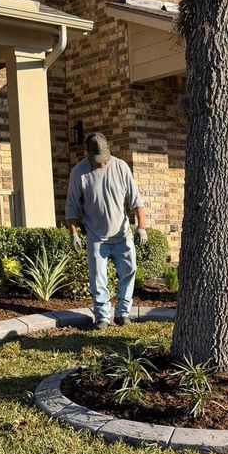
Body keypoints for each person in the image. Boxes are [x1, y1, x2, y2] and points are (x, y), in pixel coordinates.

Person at [64, 133, 148, 328]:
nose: (101, 164)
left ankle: (122, 314)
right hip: (96, 237)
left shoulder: (121, 167)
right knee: (98, 278)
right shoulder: (79, 172)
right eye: (97, 161)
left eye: (103, 160)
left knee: (129, 272)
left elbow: (136, 201)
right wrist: (74, 233)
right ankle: (102, 317)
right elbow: (71, 206)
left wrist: (141, 228)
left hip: (122, 235)